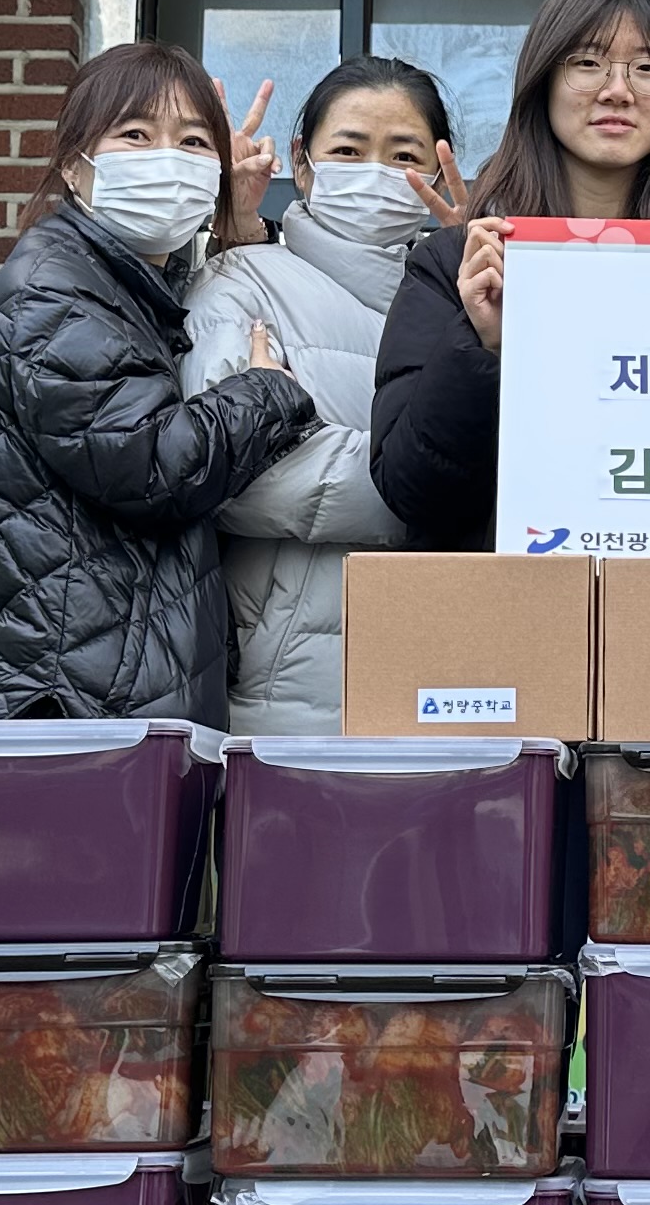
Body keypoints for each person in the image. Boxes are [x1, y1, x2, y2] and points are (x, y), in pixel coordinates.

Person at [0, 41, 317, 724]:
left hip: (92, 684)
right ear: (76, 167)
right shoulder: (57, 289)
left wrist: (239, 230)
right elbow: (151, 464)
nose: (168, 159)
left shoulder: (121, 279)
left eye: (194, 142)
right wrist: (264, 393)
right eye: (136, 134)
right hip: (60, 702)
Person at [369, 0, 650, 549]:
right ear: (542, 82)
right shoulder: (456, 266)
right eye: (586, 62)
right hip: (512, 621)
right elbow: (412, 492)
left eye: (649, 67)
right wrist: (482, 345)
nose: (617, 90)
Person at [177, 58, 468, 734]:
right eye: (349, 150)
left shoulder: (471, 304)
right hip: (288, 695)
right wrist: (441, 487)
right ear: (303, 165)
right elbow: (239, 470)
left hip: (452, 674)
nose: (376, 172)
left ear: (438, 171)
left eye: (404, 155)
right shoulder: (241, 280)